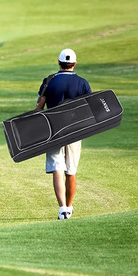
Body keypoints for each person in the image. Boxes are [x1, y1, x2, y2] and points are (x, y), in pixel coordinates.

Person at [35, 49, 92, 220]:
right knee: (71, 170)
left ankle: (62, 209)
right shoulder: (82, 83)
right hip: (75, 130)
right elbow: (89, 109)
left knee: (57, 168)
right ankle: (70, 206)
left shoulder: (49, 81)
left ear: (58, 62)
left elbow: (39, 107)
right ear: (74, 64)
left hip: (53, 130)